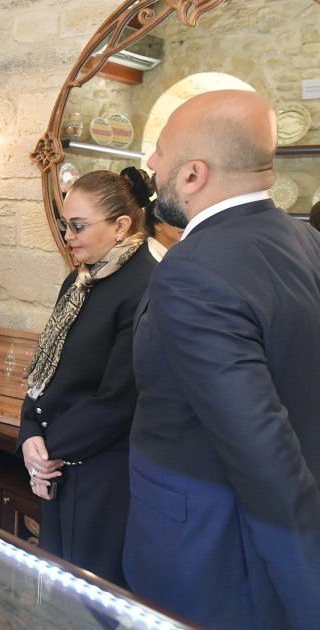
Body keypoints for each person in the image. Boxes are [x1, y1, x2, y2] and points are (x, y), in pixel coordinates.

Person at [125, 90, 320, 628]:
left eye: (161, 151)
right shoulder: (306, 241)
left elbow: (262, 450)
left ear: (193, 174)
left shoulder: (191, 270)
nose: (151, 162)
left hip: (211, 554)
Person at [16, 167, 156, 587]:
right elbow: (45, 369)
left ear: (121, 226)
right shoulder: (79, 280)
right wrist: (29, 433)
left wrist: (46, 452)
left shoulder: (146, 285)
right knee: (57, 580)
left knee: (91, 590)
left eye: (78, 226)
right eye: (65, 225)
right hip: (56, 460)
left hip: (102, 470)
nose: (68, 236)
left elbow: (119, 398)